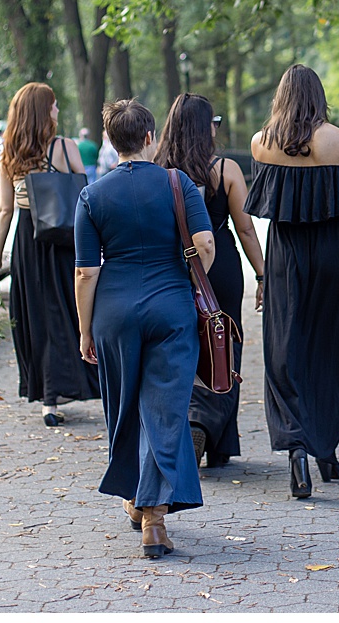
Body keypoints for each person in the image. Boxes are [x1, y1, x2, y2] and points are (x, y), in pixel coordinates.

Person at [74, 99, 214, 558]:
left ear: (113, 143)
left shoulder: (92, 196)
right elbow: (205, 245)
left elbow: (85, 273)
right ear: (150, 137)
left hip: (113, 312)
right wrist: (189, 279)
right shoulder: (179, 183)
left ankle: (136, 498)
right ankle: (153, 518)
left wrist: (84, 329)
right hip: (170, 307)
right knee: (166, 408)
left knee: (123, 405)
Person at [245, 64, 339, 499]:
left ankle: (297, 448)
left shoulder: (261, 144)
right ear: (319, 97)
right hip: (333, 255)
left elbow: (261, 207)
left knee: (286, 349)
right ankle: (327, 451)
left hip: (285, 257)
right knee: (332, 348)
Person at [154, 93, 267, 469]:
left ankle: (188, 419)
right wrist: (263, 274)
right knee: (223, 342)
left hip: (174, 265)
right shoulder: (225, 170)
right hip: (219, 266)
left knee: (180, 343)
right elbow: (247, 229)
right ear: (208, 129)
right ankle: (216, 435)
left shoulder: (158, 168)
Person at [0, 82, 100, 426]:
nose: (57, 111)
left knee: (37, 315)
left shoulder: (8, 153)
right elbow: (84, 197)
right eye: (53, 106)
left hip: (28, 238)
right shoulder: (65, 148)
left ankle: (48, 399)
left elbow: (5, 210)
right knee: (69, 310)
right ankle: (83, 382)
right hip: (64, 239)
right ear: (43, 111)